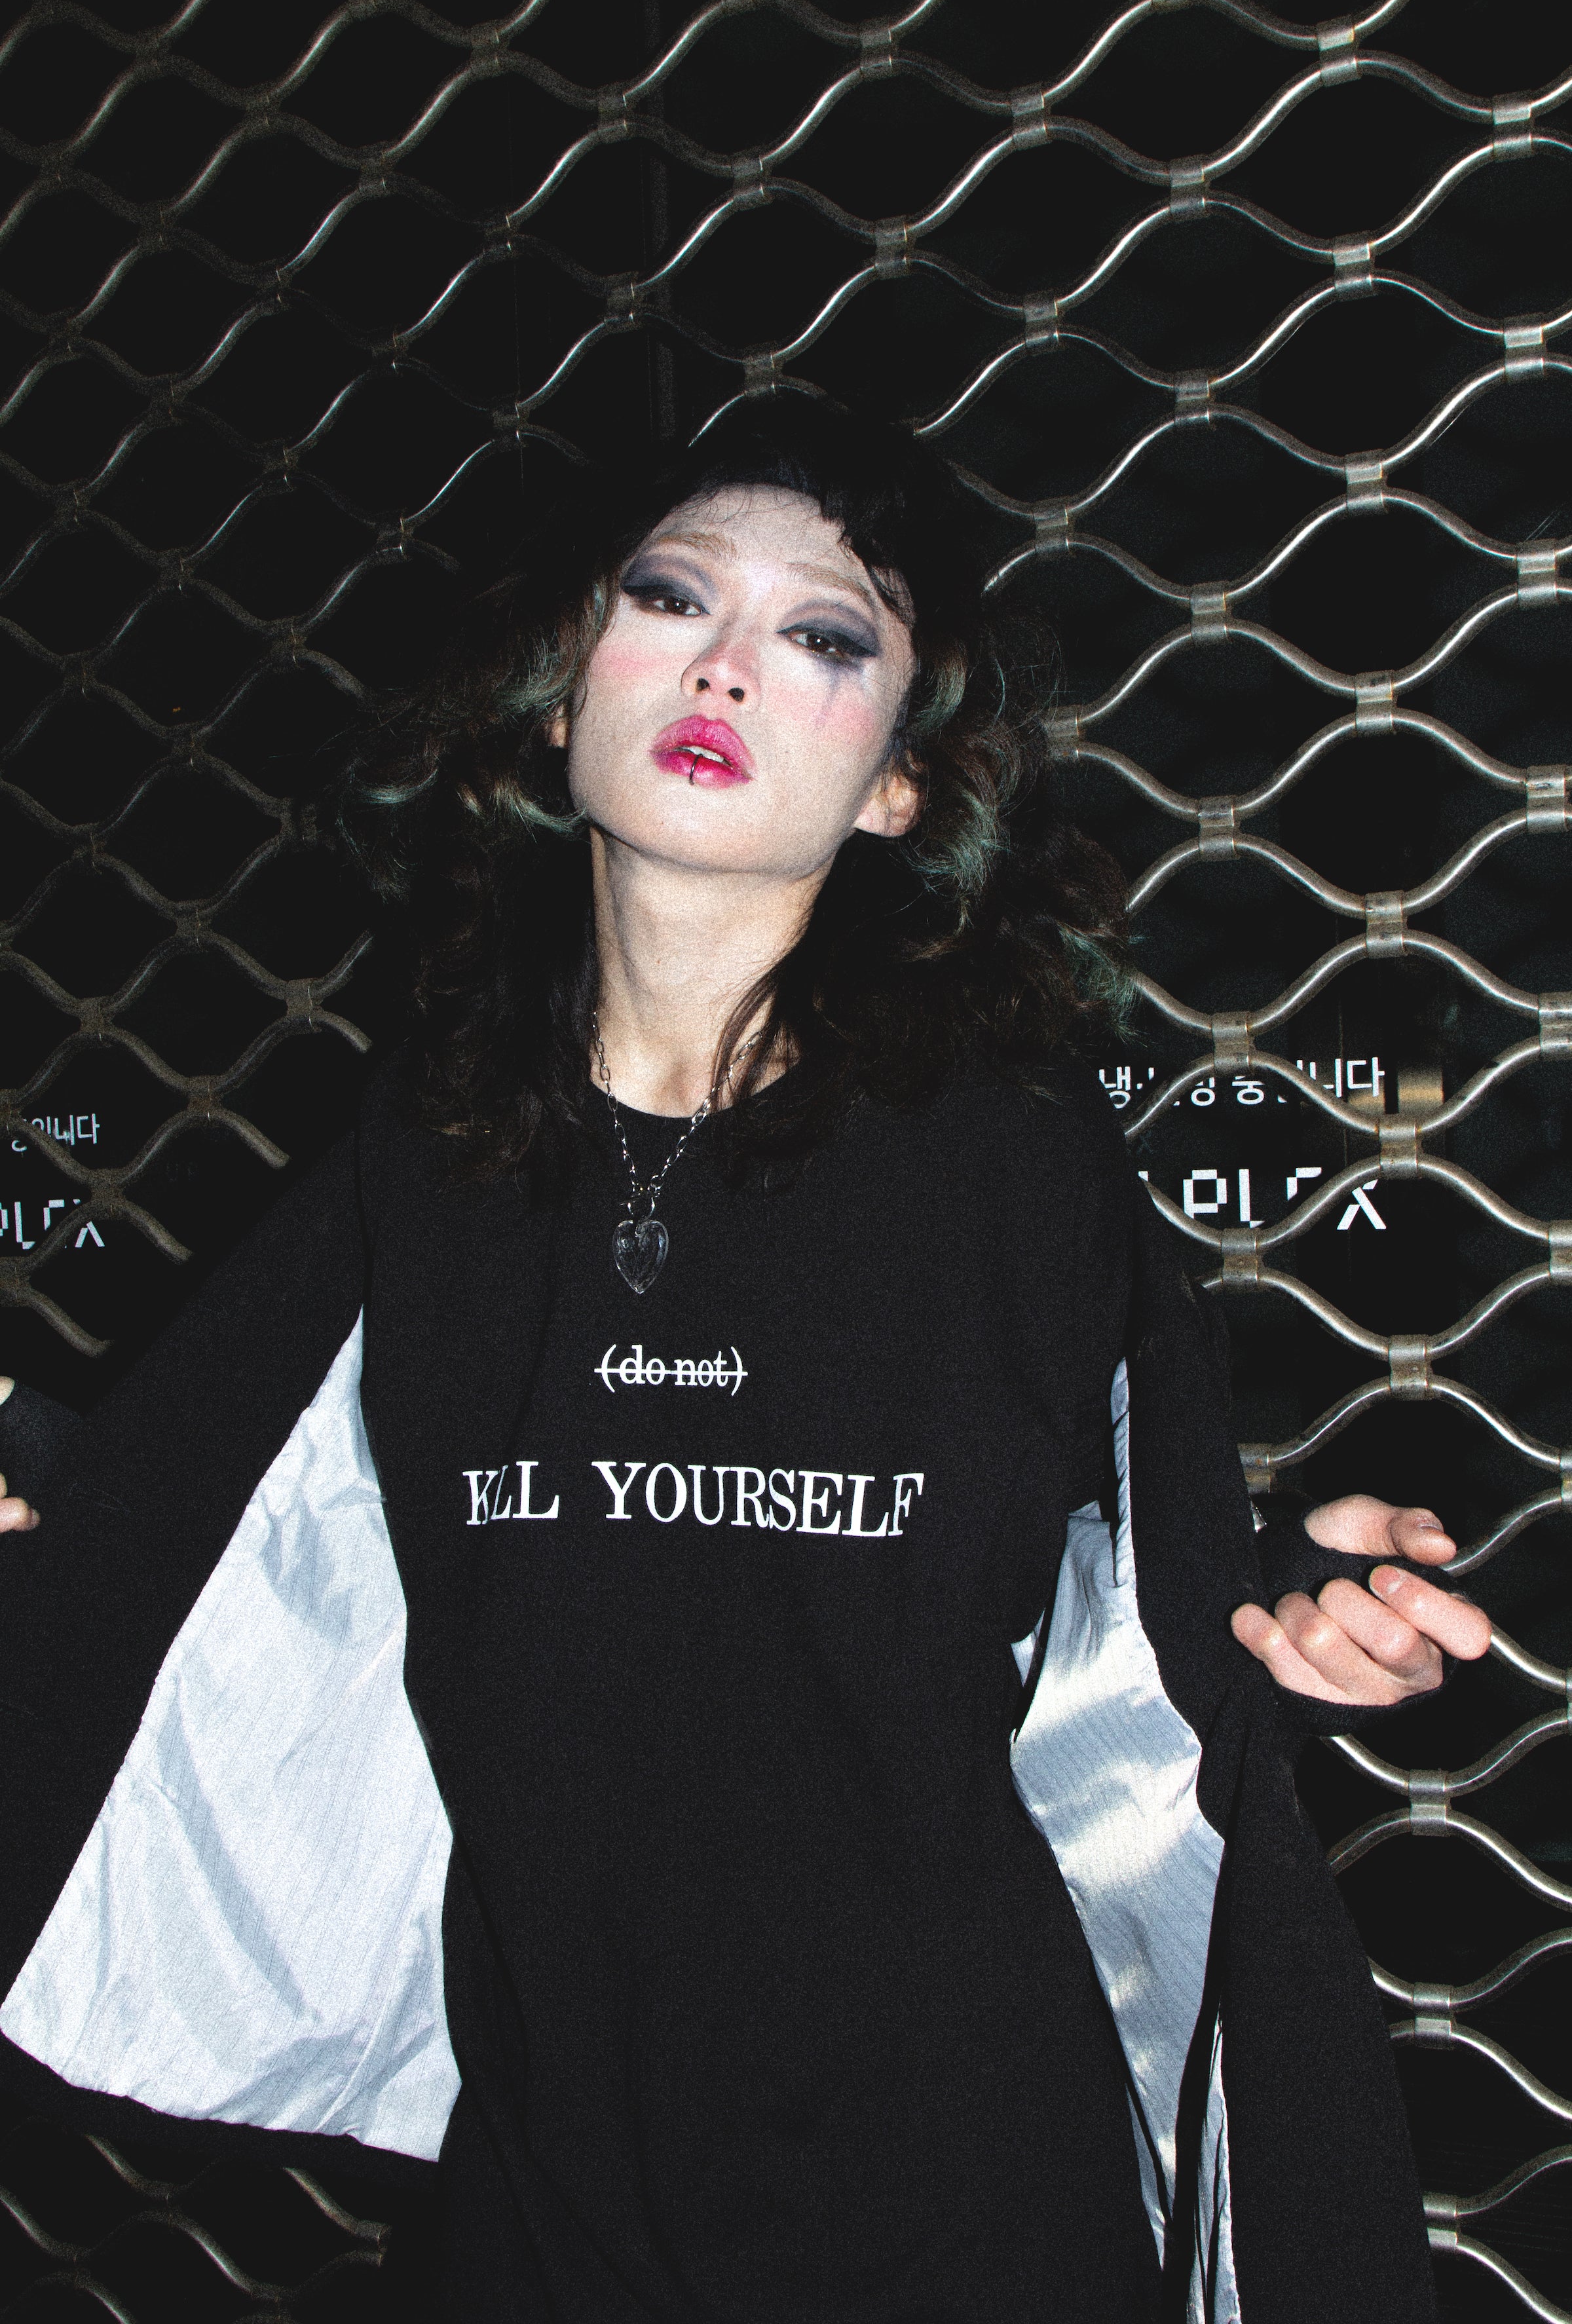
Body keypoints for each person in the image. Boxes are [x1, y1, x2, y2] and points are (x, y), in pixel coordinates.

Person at [0, 396, 1489, 2323]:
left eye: (825, 635)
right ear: (564, 694)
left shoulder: (1007, 1161)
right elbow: (203, 1518)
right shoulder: (427, 1155)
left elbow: (1131, 1570)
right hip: (544, 2194)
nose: (726, 662)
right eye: (671, 596)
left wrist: (1291, 1600)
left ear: (895, 786)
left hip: (960, 2204)